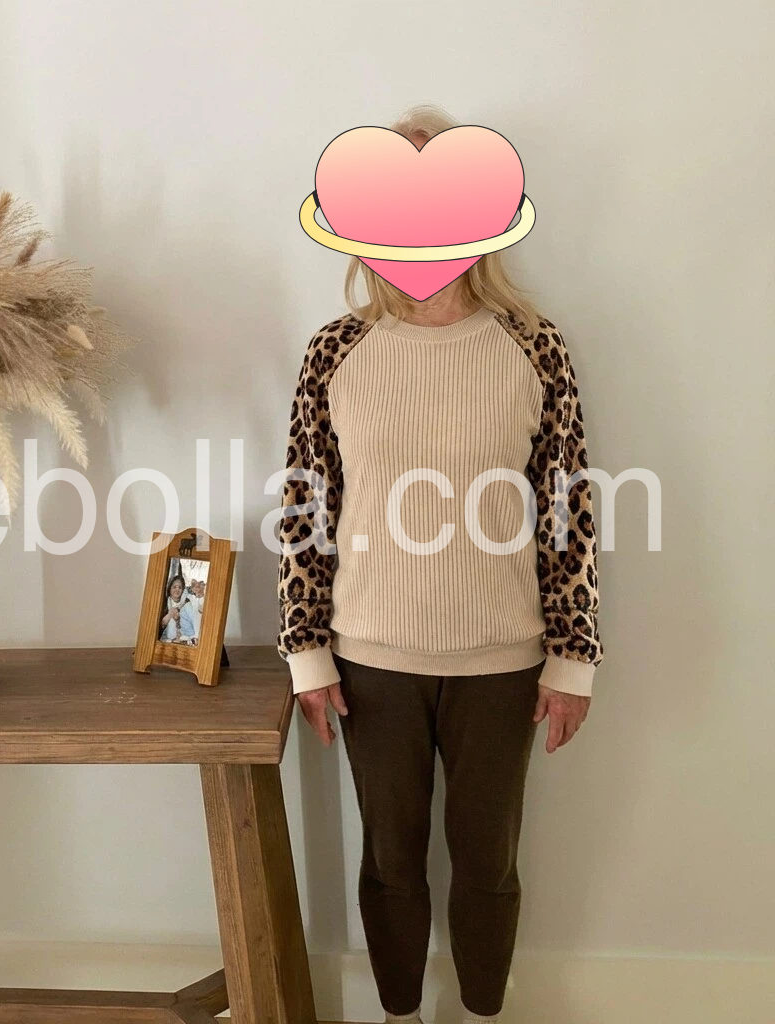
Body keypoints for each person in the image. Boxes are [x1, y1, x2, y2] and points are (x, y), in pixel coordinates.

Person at [277, 104, 602, 1024]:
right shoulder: (336, 351)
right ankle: (399, 1014)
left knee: (488, 865)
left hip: (503, 659)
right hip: (370, 659)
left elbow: (569, 511)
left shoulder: (533, 346)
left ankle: (483, 1013)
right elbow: (304, 507)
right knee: (390, 865)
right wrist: (306, 653)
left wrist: (573, 660)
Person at [160, 575, 196, 642]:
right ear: (169, 589)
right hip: (166, 640)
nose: (177, 590)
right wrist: (170, 614)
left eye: (180, 587)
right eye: (174, 587)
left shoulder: (187, 603)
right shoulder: (163, 604)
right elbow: (160, 625)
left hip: (183, 639)